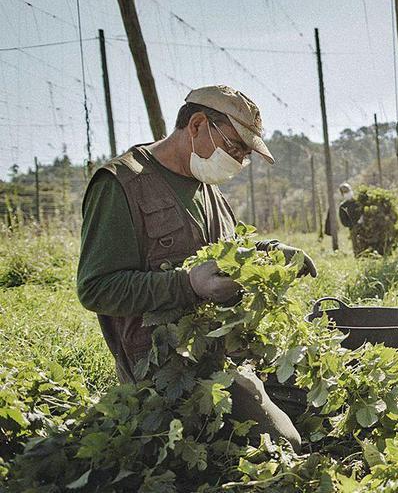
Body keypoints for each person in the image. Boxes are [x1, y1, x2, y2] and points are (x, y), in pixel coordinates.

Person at [76, 85, 315, 448]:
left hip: (224, 351)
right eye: (235, 147)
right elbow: (96, 288)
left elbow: (230, 251)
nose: (239, 161)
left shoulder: (207, 187)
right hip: (168, 373)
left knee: (313, 388)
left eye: (245, 155)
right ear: (198, 124)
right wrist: (187, 284)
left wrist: (269, 251)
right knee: (283, 444)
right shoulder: (121, 185)